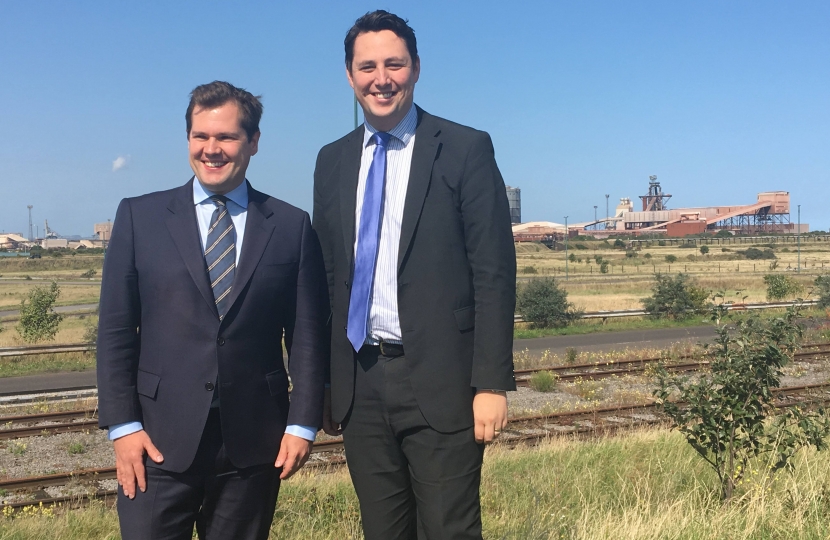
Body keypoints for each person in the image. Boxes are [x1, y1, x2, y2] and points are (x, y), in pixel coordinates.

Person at [312, 10, 516, 539]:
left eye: (394, 64)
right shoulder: (331, 161)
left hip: (441, 381)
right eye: (367, 67)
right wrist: (328, 382)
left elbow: (494, 272)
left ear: (417, 69)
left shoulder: (465, 149)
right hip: (361, 381)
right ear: (350, 76)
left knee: (449, 530)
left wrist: (491, 383)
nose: (382, 78)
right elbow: (329, 277)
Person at [97, 80, 329, 540]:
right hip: (156, 441)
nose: (212, 149)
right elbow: (117, 331)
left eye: (225, 137)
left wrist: (302, 424)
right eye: (200, 136)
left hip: (252, 443)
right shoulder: (139, 218)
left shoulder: (290, 226)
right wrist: (123, 427)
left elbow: (305, 335)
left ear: (253, 142)